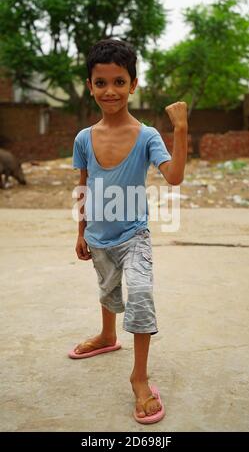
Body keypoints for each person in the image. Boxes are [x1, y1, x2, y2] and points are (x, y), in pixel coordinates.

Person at [69, 38, 188, 424]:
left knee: (138, 294)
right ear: (90, 86)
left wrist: (181, 129)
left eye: (119, 82)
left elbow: (174, 177)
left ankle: (139, 377)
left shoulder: (148, 136)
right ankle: (107, 337)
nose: (110, 91)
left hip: (134, 234)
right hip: (98, 236)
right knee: (107, 288)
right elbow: (84, 186)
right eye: (101, 83)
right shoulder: (84, 138)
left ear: (133, 85)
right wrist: (81, 231)